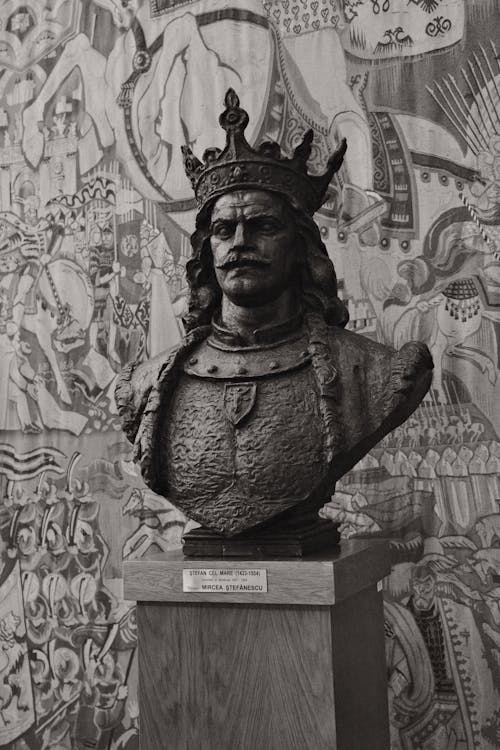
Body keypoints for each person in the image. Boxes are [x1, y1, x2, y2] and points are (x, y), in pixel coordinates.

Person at [116, 89, 433, 546]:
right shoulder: (149, 383)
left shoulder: (374, 372)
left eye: (264, 226)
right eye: (224, 230)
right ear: (208, 251)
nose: (240, 241)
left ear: (300, 247)